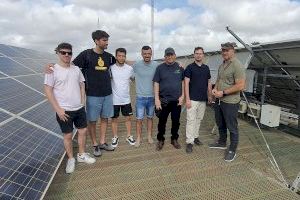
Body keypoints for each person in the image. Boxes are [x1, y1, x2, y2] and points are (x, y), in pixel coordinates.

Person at [45, 30, 116, 157]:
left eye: (107, 40)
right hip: (92, 95)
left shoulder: (109, 56)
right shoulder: (86, 55)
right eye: (104, 40)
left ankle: (102, 142)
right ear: (96, 41)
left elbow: (121, 62)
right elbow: (68, 65)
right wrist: (51, 66)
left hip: (107, 94)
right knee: (92, 121)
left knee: (105, 119)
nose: (107, 42)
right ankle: (95, 144)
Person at [44, 43, 95, 174]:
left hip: (79, 108)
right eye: (63, 52)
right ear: (58, 53)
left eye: (69, 53)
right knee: (67, 135)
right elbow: (48, 91)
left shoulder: (76, 69)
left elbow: (82, 84)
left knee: (82, 131)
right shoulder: (52, 70)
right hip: (64, 110)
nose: (67, 55)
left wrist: (82, 101)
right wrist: (58, 110)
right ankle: (71, 158)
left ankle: (82, 155)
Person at [209, 42, 246, 162]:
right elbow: (219, 79)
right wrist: (215, 88)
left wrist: (223, 92)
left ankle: (232, 150)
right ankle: (222, 142)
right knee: (220, 123)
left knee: (232, 127)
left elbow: (240, 85)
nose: (224, 52)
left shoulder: (237, 65)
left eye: (227, 50)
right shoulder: (222, 65)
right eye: (222, 50)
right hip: (219, 100)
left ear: (233, 51)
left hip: (230, 101)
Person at [153, 47, 184, 151]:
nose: (170, 57)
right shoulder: (160, 68)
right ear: (164, 57)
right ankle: (160, 139)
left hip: (176, 101)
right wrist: (157, 99)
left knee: (176, 121)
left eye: (171, 55)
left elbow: (183, 82)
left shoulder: (180, 67)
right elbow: (156, 83)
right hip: (163, 101)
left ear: (175, 56)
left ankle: (174, 139)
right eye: (167, 55)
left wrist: (182, 96)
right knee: (162, 121)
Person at [185, 47, 212, 153]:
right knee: (190, 120)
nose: (198, 55)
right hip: (192, 99)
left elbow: (209, 82)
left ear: (203, 55)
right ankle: (189, 142)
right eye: (197, 53)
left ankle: (195, 137)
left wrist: (209, 95)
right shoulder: (190, 68)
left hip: (203, 99)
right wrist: (187, 99)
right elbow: (186, 83)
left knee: (199, 119)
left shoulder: (206, 68)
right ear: (194, 55)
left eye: (200, 53)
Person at [132, 46, 158, 147]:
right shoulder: (136, 65)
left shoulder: (156, 65)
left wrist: (178, 64)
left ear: (151, 54)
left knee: (150, 118)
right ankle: (138, 138)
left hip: (152, 97)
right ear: (142, 54)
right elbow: (129, 72)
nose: (147, 55)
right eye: (145, 53)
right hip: (140, 98)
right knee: (139, 119)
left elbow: (166, 65)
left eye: (149, 53)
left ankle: (149, 136)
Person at [110, 48, 136, 147]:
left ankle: (128, 136)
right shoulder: (111, 68)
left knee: (128, 118)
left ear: (125, 57)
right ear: (116, 56)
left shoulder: (129, 69)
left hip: (126, 99)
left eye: (123, 56)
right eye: (119, 56)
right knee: (114, 119)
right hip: (114, 100)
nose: (121, 58)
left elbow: (134, 79)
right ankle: (115, 136)